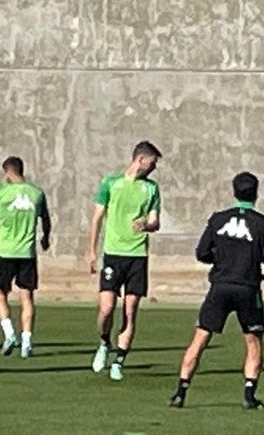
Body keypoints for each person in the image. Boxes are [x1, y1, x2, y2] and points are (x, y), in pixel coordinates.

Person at [170, 172, 264, 410]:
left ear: (234, 191)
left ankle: (181, 391)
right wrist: (252, 255)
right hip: (247, 289)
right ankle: (249, 395)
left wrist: (222, 259)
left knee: (200, 338)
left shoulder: (218, 219)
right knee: (253, 342)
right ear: (256, 193)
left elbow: (201, 253)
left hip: (219, 286)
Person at [87, 141, 163, 381]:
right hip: (113, 254)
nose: (154, 167)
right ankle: (103, 343)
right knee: (107, 308)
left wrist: (147, 225)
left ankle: (119, 360)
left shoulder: (152, 189)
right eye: (153, 162)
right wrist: (91, 251)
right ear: (141, 159)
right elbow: (97, 218)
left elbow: (155, 221)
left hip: (137, 256)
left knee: (130, 312)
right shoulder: (111, 183)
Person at [0, 156, 51, 358]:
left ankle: (9, 333)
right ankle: (27, 341)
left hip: (6, 252)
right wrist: (45, 238)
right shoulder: (37, 193)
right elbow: (46, 219)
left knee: (0, 293)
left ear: (7, 172)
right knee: (26, 297)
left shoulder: (1, 192)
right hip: (27, 253)